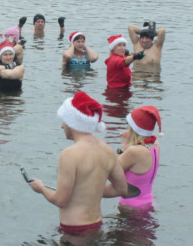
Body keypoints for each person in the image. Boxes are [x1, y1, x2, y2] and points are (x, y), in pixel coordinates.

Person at [28, 92, 128, 235]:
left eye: (64, 121)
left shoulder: (69, 154)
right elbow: (121, 189)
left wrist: (41, 188)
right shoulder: (108, 150)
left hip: (74, 230)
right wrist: (91, 190)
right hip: (97, 225)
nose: (62, 127)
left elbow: (61, 201)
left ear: (72, 123)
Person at [114, 106, 162, 209]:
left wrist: (123, 147)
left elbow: (113, 170)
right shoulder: (155, 145)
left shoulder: (134, 151)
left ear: (133, 128)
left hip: (132, 207)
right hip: (148, 201)